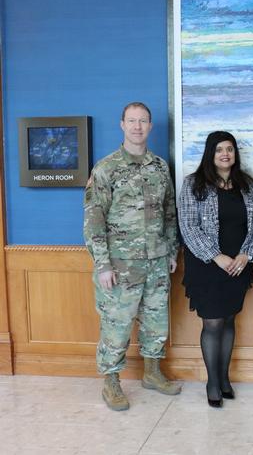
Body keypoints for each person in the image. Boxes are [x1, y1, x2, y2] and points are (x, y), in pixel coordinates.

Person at [84, 102, 181, 412]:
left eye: (143, 121)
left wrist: (171, 249)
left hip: (156, 260)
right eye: (132, 121)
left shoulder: (160, 167)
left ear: (150, 126)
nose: (138, 126)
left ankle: (152, 373)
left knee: (156, 321)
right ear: (122, 124)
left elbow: (169, 213)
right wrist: (102, 264)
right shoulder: (106, 168)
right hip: (120, 265)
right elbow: (94, 219)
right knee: (117, 324)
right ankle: (111, 382)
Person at [178, 131, 253, 408]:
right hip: (208, 265)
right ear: (210, 154)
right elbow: (188, 227)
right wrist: (216, 256)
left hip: (238, 266)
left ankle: (225, 378)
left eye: (229, 149)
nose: (225, 154)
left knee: (229, 320)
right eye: (219, 150)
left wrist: (245, 255)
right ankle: (212, 382)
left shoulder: (248, 186)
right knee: (212, 323)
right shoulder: (194, 184)